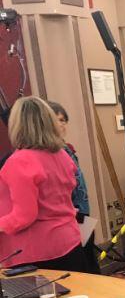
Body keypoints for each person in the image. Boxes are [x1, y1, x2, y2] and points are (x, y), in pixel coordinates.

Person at [0, 96, 94, 273]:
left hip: (36, 252)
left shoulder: (20, 161)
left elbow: (23, 217)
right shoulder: (62, 155)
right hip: (68, 242)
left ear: (17, 125)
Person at [47, 101, 100, 274]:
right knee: (80, 265)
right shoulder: (50, 153)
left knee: (88, 258)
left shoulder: (67, 149)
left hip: (81, 211)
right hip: (69, 213)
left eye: (63, 120)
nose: (61, 125)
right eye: (56, 120)